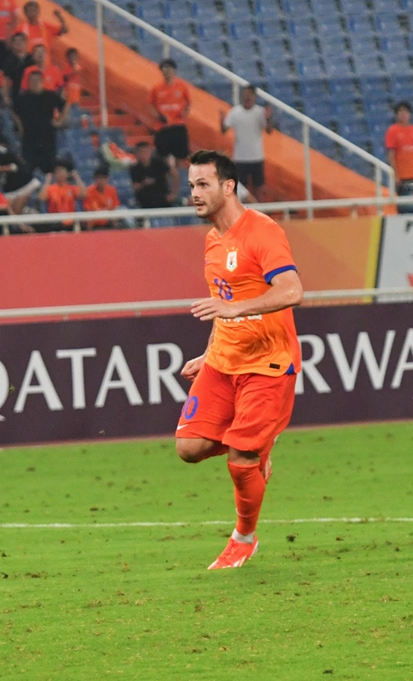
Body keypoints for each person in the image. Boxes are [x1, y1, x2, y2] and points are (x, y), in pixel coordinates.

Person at [173, 149, 303, 569]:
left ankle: (243, 537)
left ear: (228, 186)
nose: (194, 193)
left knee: (241, 457)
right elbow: (222, 304)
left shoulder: (261, 231)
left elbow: (292, 291)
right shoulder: (213, 241)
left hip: (267, 362)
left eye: (203, 184)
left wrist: (236, 310)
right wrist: (208, 352)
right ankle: (254, 448)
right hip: (223, 360)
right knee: (188, 448)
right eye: (191, 185)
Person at [13, 69, 65, 174]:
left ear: (42, 81)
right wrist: (20, 126)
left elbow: (65, 105)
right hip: (29, 139)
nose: (34, 83)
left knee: (50, 169)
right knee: (28, 169)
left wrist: (59, 121)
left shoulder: (50, 96)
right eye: (32, 81)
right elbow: (14, 111)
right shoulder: (23, 98)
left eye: (37, 80)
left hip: (47, 138)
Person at [150, 58, 192, 166]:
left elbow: (188, 103)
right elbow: (151, 105)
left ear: (174, 71)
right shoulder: (156, 88)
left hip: (178, 125)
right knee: (163, 157)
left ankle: (179, 178)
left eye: (169, 69)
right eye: (164, 69)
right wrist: (158, 116)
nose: (167, 72)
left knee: (180, 156)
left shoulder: (182, 86)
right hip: (163, 126)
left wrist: (185, 113)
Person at [385, 101, 413, 197]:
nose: (403, 115)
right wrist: (396, 175)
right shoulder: (393, 131)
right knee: (406, 205)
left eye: (406, 112)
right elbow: (391, 154)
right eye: (400, 112)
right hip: (404, 176)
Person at [130, 140, 178, 212]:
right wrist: (143, 183)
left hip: (163, 197)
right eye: (142, 152)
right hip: (145, 201)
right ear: (137, 154)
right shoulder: (135, 169)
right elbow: (135, 187)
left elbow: (175, 175)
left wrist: (173, 194)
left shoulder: (159, 163)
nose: (144, 154)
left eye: (146, 151)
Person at [38, 160, 84, 230]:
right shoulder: (51, 189)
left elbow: (84, 194)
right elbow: (41, 198)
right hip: (55, 223)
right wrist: (47, 181)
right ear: (55, 175)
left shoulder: (71, 188)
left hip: (70, 223)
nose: (60, 174)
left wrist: (77, 177)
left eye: (63, 172)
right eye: (58, 172)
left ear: (67, 174)